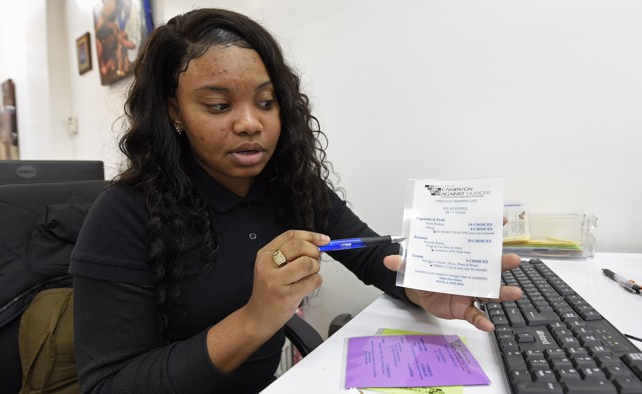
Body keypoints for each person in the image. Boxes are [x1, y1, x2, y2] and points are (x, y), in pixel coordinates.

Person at [69, 8, 522, 393]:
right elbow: (110, 383)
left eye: (266, 103)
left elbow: (371, 254)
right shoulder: (124, 214)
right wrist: (256, 318)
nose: (250, 123)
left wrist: (423, 284)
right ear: (174, 111)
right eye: (219, 106)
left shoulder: (291, 185)